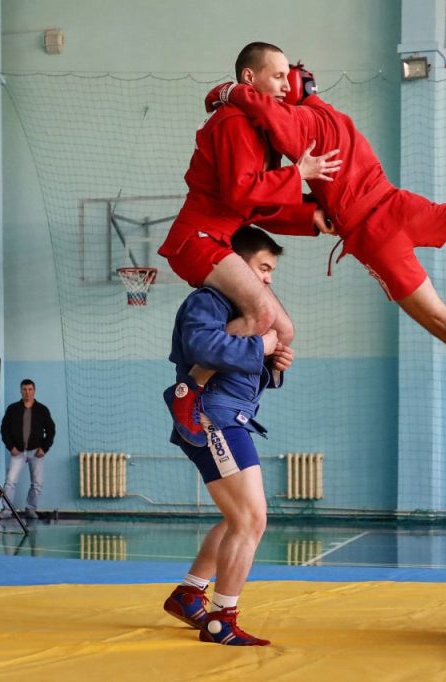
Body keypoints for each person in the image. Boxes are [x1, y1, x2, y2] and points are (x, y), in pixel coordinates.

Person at [204, 66, 446, 367]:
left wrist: (230, 92)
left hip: (376, 235)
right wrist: (311, 210)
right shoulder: (338, 118)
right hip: (399, 204)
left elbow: (270, 120)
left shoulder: (301, 120)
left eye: (278, 81)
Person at [159, 41, 341, 447]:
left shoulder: (258, 129)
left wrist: (310, 217)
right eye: (277, 76)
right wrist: (299, 174)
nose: (284, 85)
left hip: (221, 237)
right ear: (249, 78)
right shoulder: (232, 121)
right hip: (197, 239)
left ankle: (234, 391)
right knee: (260, 316)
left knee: (284, 330)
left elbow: (256, 208)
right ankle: (187, 393)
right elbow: (244, 194)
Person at [162, 226, 293, 647]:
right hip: (214, 416)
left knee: (239, 517)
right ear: (237, 266)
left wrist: (274, 363)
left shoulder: (239, 308)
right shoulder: (210, 299)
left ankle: (190, 593)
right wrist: (263, 346)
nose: (269, 278)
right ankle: (222, 619)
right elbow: (202, 347)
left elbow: (240, 365)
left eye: (272, 270)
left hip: (229, 413)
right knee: (251, 519)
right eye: (263, 267)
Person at [0, 379, 56, 519]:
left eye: (30, 389)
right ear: (20, 390)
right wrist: (10, 447)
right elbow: (4, 429)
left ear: (34, 391)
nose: (27, 392)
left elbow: (51, 430)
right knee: (10, 482)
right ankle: (6, 510)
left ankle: (31, 509)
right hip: (17, 452)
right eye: (24, 389)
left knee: (37, 484)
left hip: (36, 452)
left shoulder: (42, 410)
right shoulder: (13, 409)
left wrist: (44, 448)